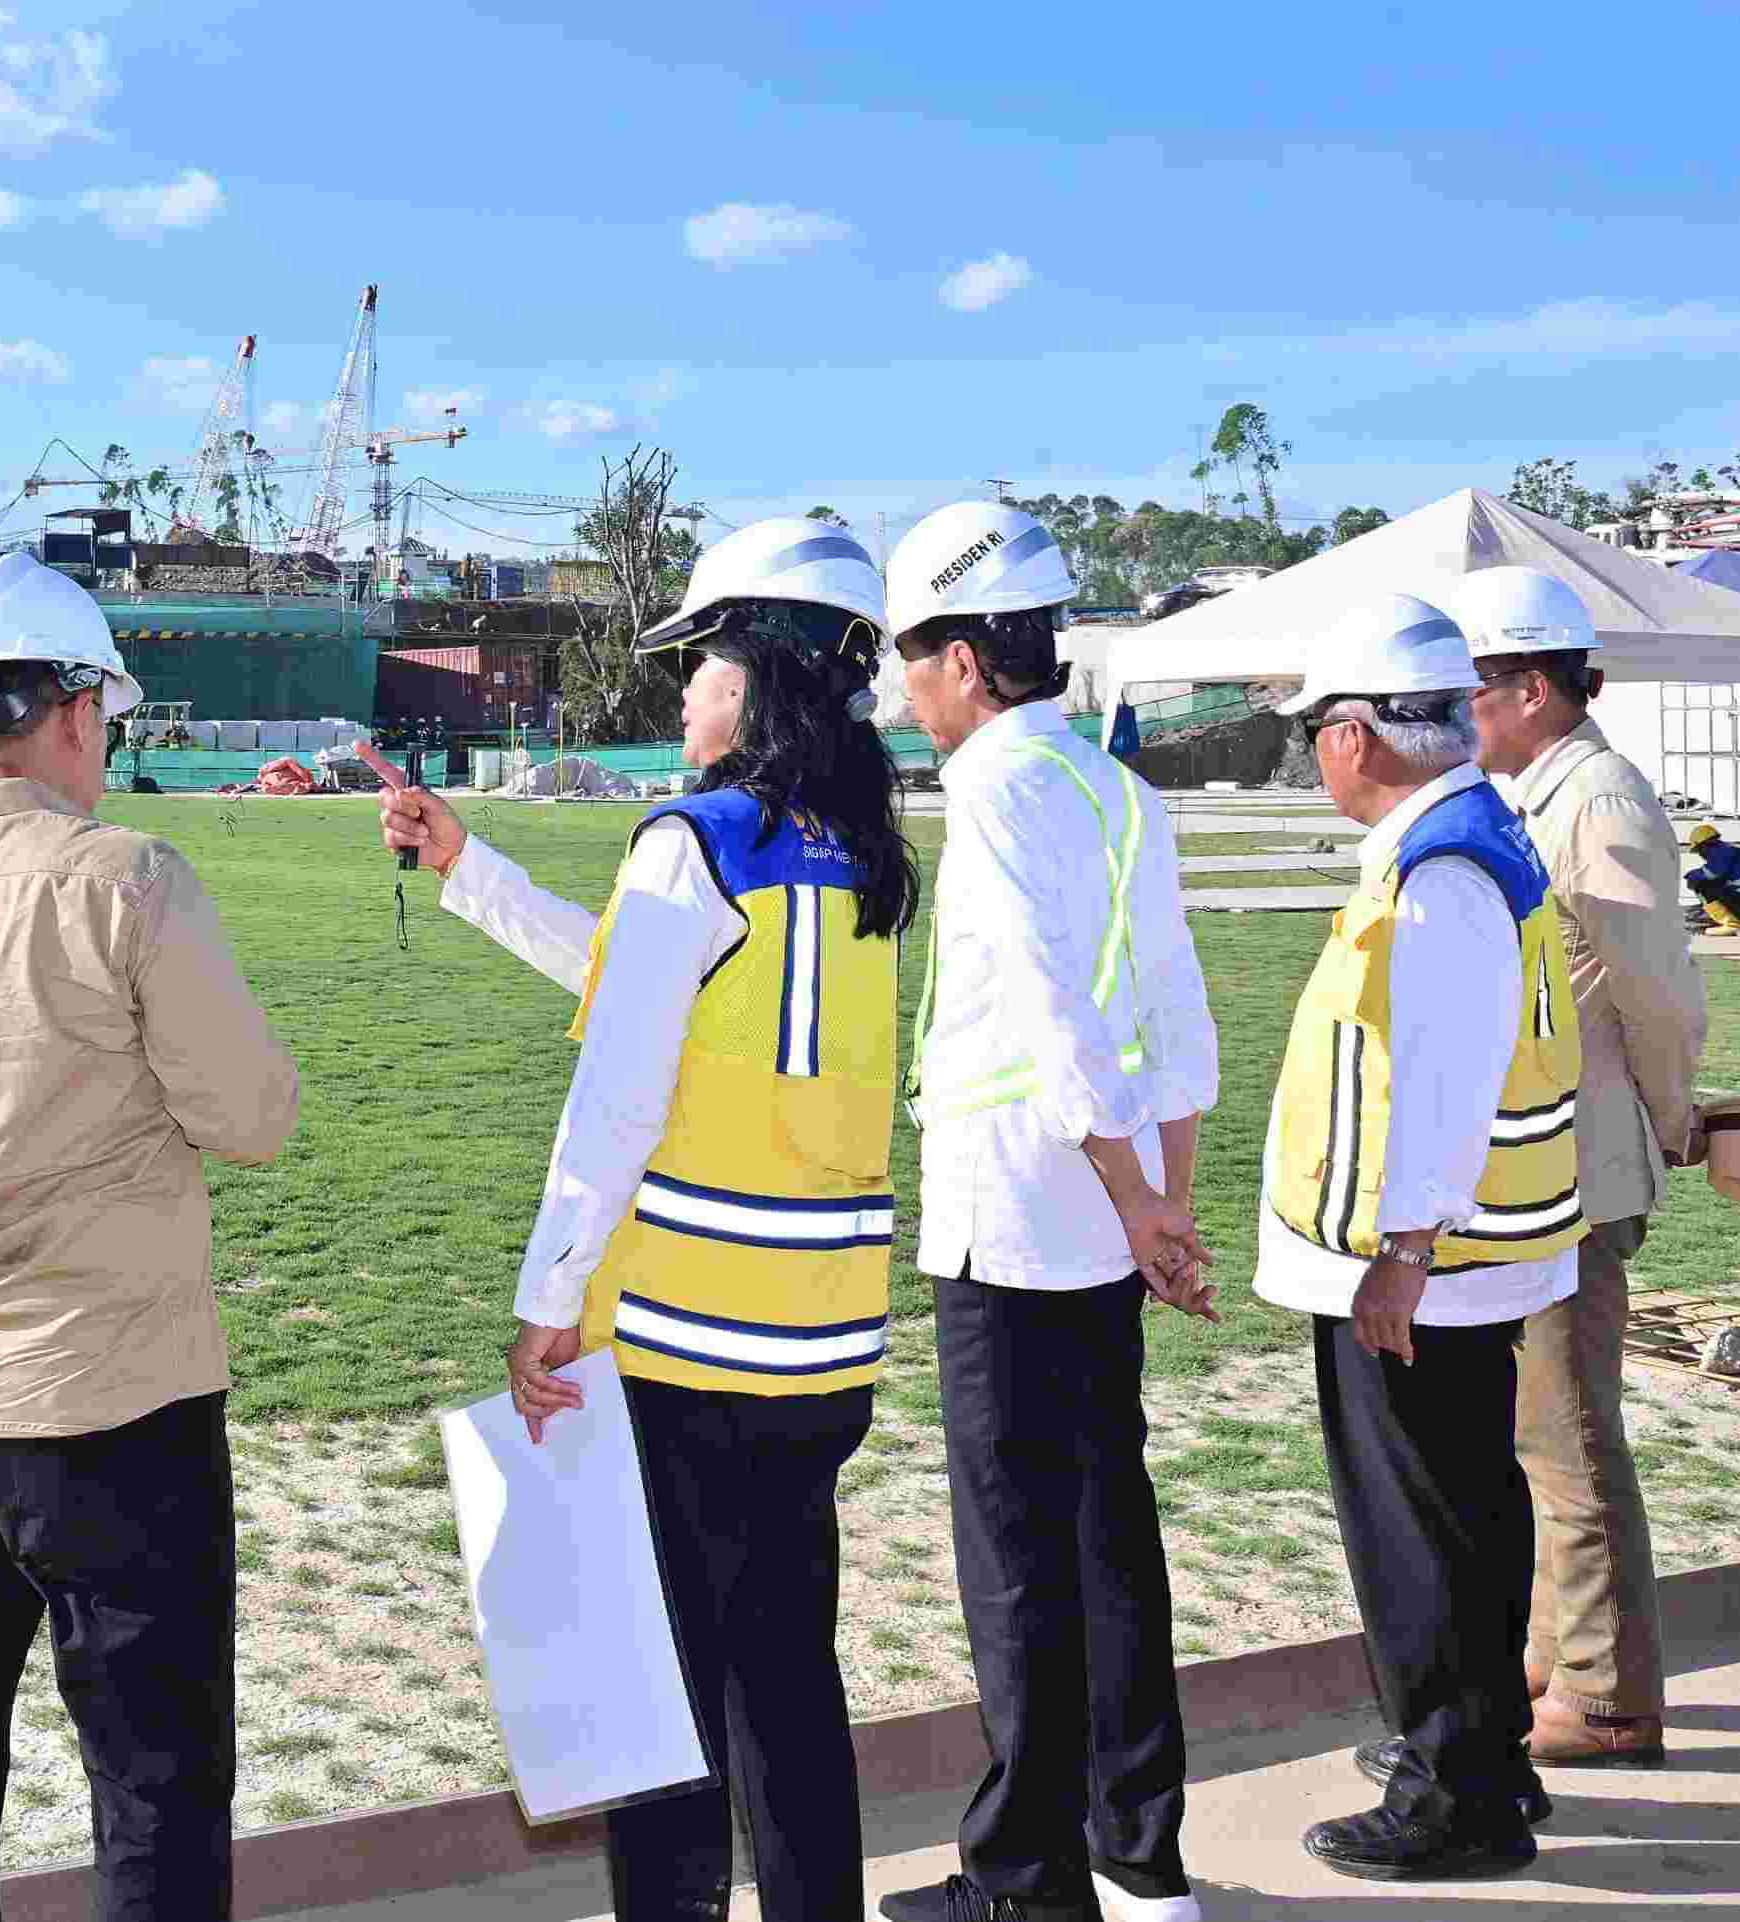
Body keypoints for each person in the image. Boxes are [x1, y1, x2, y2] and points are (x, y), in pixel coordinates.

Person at [380, 516, 915, 1922]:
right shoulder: (857, 852)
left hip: (684, 1338)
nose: (682, 694)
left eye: (700, 666)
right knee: (788, 1675)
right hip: (826, 1344)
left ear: (751, 679)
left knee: (660, 1683)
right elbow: (653, 996)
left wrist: (545, 1293)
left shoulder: (692, 840)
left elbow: (619, 1091)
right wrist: (471, 871)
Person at [0, 551, 297, 1922]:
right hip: (116, 1400)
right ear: (74, 708)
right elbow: (253, 1114)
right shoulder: (125, 878)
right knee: (153, 1773)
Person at [877, 502, 1224, 1922]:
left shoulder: (1000, 793)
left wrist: (1144, 1201)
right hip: (1099, 1214)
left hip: (1020, 1217)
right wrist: (1164, 1203)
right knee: (1106, 1534)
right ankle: (1135, 1857)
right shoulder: (1112, 788)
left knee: (1018, 1561)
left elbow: (1054, 1010)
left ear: (962, 659)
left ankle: (1021, 1880)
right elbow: (1177, 1014)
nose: (902, 684)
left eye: (909, 654)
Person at [1259, 592, 1583, 1880]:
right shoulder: (1473, 830)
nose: (1315, 755)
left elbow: (1442, 1069)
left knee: (1421, 1528)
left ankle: (1455, 1788)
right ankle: (1484, 1753)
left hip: (1424, 1265)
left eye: (1317, 731)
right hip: (1474, 1246)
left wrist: (1402, 1248)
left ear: (1357, 734)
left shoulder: (1438, 862)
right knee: (1467, 1511)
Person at [1454, 564, 1702, 1773]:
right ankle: (1557, 1661)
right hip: (1547, 1160)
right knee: (1536, 1431)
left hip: (1589, 1159)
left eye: (1477, 688)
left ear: (1538, 687)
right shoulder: (1538, 790)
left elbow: (1658, 987)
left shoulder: (1595, 799)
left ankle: (1606, 1694)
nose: (1461, 713)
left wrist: (1673, 1119)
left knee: (1569, 1436)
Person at [1686, 823, 1740, 932]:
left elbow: (1712, 873)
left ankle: (1732, 924)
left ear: (1705, 845)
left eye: (1698, 850)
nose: (1700, 855)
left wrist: (1691, 876)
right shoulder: (1729, 850)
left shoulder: (1722, 852)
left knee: (1701, 885)